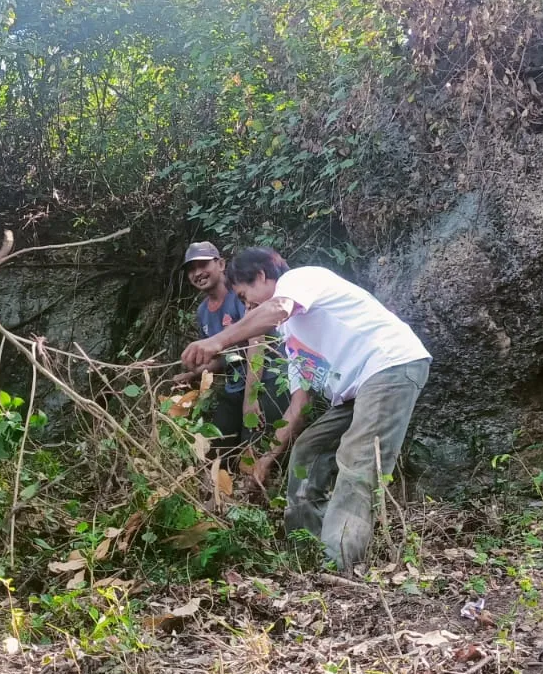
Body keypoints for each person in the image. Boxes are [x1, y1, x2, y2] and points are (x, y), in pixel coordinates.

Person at [181, 247, 430, 570]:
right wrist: (266, 460)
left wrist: (219, 341)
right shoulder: (291, 336)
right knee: (307, 451)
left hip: (390, 367)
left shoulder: (300, 279)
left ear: (260, 276)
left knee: (357, 464)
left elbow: (278, 307)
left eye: (245, 296)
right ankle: (305, 557)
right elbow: (299, 404)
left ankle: (337, 565)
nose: (247, 307)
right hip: (357, 391)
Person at [172, 241, 287, 459]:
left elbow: (257, 342)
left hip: (265, 383)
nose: (197, 273)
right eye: (191, 269)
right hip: (235, 387)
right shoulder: (203, 312)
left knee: (254, 453)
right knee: (215, 453)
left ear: (221, 264)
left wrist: (251, 398)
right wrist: (194, 373)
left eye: (203, 265)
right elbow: (222, 358)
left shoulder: (242, 295)